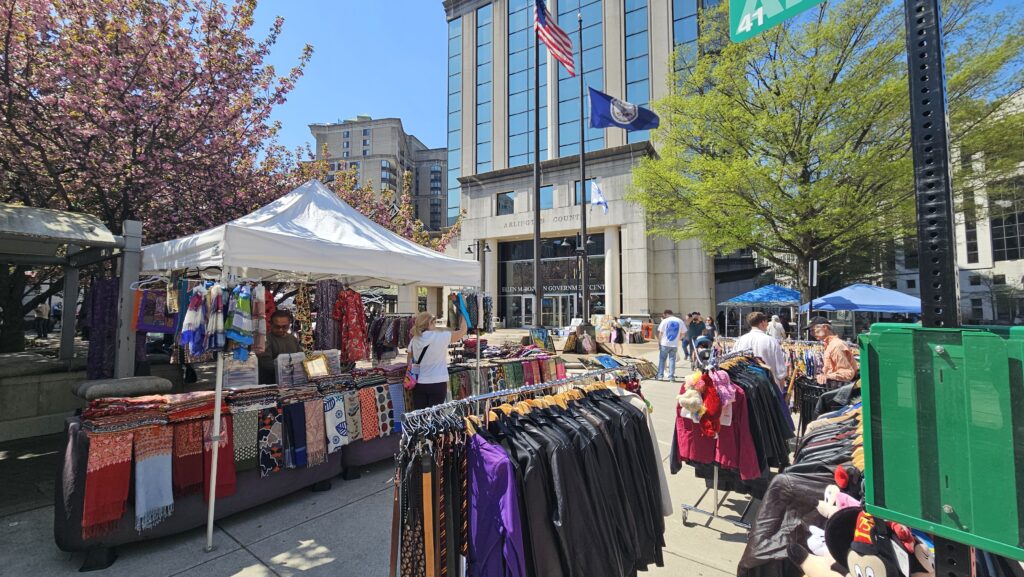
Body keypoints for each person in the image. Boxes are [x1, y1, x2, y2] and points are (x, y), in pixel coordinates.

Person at [408, 307, 468, 409]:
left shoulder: (414, 340)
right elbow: (462, 331)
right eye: (433, 322)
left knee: (420, 418)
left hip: (418, 384)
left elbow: (409, 362)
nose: (435, 325)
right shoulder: (440, 336)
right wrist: (463, 314)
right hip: (437, 383)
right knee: (435, 418)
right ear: (429, 324)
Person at [733, 311, 788, 389]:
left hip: (746, 387)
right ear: (762, 322)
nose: (767, 324)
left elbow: (734, 362)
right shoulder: (771, 341)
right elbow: (780, 371)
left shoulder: (740, 340)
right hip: (769, 388)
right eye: (766, 322)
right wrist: (781, 392)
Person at [810, 317, 859, 388]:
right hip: (835, 386)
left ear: (825, 327)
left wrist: (826, 376)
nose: (811, 333)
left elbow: (847, 373)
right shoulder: (829, 344)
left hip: (840, 389)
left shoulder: (836, 345)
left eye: (813, 330)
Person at [257, 310, 302, 384]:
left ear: (289, 325)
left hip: (291, 381)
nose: (281, 330)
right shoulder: (265, 340)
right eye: (277, 327)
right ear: (271, 324)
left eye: (284, 327)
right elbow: (266, 364)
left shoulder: (293, 338)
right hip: (271, 384)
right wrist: (289, 368)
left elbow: (300, 356)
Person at [656, 309, 683, 381]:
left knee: (662, 360)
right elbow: (683, 333)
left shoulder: (664, 321)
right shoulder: (680, 321)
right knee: (672, 360)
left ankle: (660, 376)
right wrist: (678, 339)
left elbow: (660, 333)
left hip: (664, 343)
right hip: (674, 344)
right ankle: (671, 377)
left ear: (666, 314)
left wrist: (659, 343)